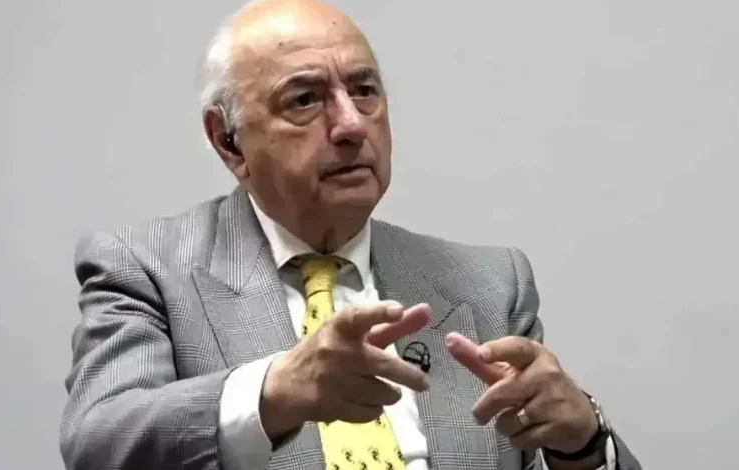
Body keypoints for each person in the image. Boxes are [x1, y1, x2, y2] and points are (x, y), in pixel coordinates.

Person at [59, 1, 641, 469]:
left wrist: (582, 446)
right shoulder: (147, 267)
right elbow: (99, 442)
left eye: (364, 90)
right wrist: (274, 391)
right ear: (228, 141)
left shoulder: (491, 284)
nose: (351, 125)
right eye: (305, 99)